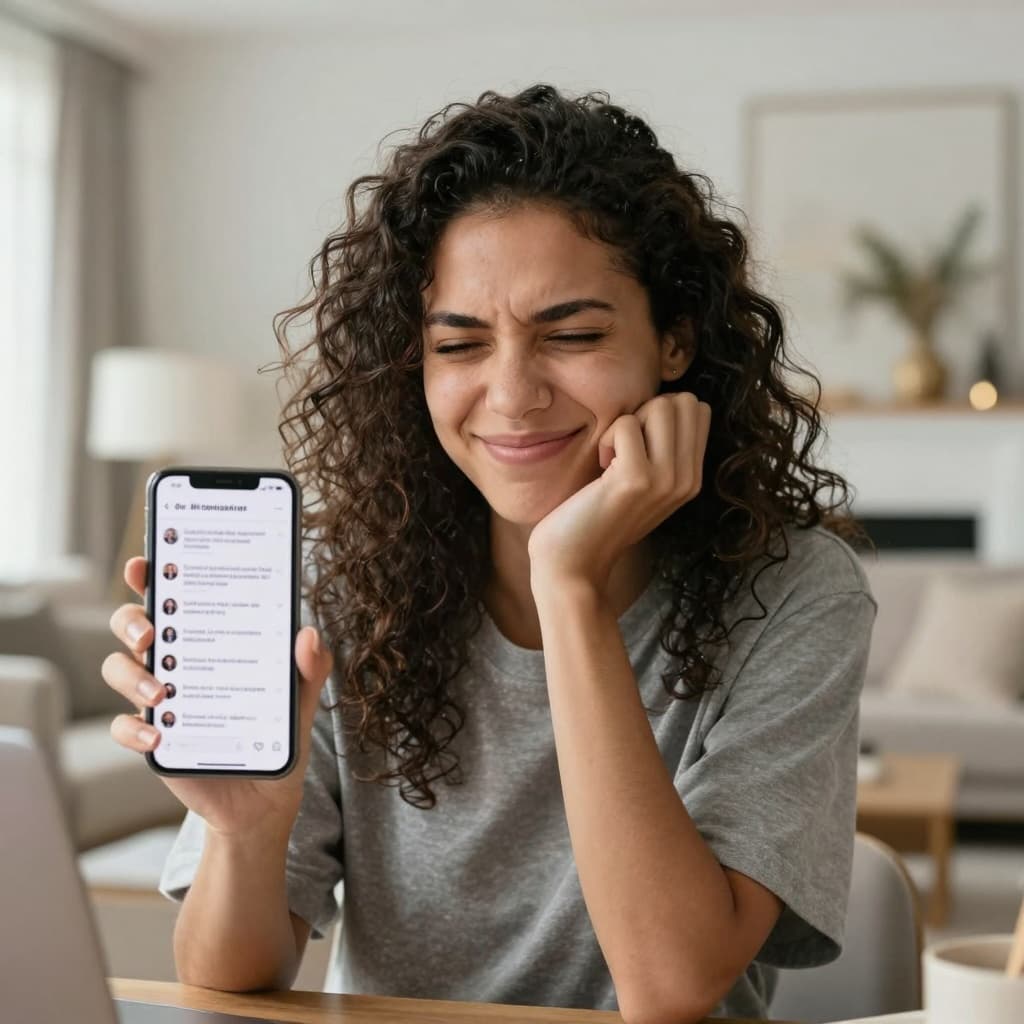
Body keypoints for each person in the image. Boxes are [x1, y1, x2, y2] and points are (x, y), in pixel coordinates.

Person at [101, 84, 876, 1023]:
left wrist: (569, 584)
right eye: (460, 344)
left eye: (574, 335)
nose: (511, 395)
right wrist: (248, 836)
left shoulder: (793, 591)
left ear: (674, 341)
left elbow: (672, 988)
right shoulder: (337, 582)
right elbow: (228, 983)